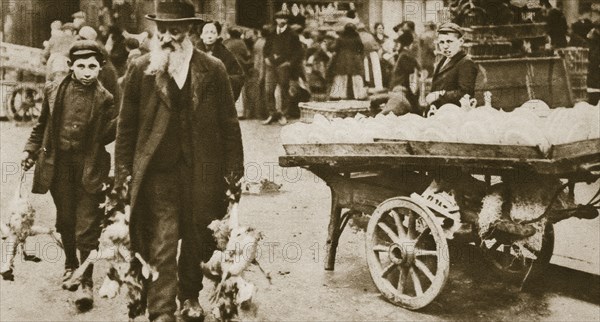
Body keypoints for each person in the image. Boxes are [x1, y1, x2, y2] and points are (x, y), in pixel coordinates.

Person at [115, 1, 244, 321]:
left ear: (190, 32)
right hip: (157, 173)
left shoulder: (213, 69)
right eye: (163, 31)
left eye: (176, 30)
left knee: (197, 235)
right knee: (163, 237)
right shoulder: (141, 68)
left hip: (202, 171)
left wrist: (234, 175)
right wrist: (122, 172)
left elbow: (229, 124)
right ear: (155, 32)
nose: (169, 37)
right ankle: (161, 310)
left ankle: (190, 295)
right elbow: (126, 126)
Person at [21, 40, 117, 313]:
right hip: (58, 165)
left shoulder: (106, 98)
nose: (87, 72)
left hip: (90, 167)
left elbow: (107, 137)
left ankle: (85, 281)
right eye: (82, 66)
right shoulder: (53, 91)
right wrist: (30, 150)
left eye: (93, 67)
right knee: (65, 219)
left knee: (88, 223)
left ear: (100, 68)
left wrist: (121, 123)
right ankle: (70, 265)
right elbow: (41, 127)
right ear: (71, 66)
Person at [262, 10, 303, 125]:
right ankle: (272, 114)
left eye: (284, 18)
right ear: (276, 20)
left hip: (283, 65)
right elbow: (266, 48)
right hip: (271, 65)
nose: (282, 21)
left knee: (284, 90)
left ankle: (283, 114)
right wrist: (266, 58)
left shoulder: (292, 34)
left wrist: (289, 62)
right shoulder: (271, 33)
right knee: (268, 90)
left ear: (287, 20)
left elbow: (298, 51)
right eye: (279, 18)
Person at [426, 22, 478, 108]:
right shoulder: (443, 60)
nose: (445, 46)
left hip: (454, 115)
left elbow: (465, 93)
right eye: (441, 42)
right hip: (439, 112)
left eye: (449, 41)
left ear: (461, 41)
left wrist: (438, 95)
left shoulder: (466, 63)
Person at [196, 21, 246, 101]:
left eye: (213, 32)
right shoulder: (193, 54)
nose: (209, 36)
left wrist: (222, 80)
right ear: (201, 35)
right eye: (206, 32)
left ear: (218, 35)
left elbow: (239, 77)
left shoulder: (225, 54)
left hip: (217, 100)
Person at [381, 32, 420, 116]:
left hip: (400, 87)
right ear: (411, 44)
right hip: (401, 88)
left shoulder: (404, 55)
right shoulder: (406, 55)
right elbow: (412, 76)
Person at [328, 23, 367, 100]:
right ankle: (359, 94)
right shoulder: (357, 37)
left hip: (342, 59)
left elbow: (335, 48)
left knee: (341, 76)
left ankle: (338, 94)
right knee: (356, 77)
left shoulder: (341, 38)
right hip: (355, 59)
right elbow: (361, 48)